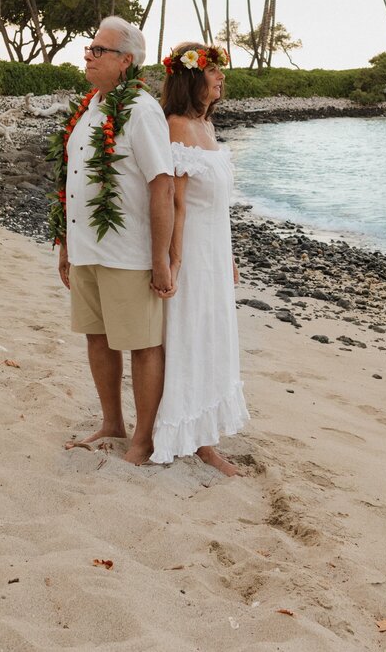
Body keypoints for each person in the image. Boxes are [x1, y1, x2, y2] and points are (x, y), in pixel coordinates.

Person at [55, 17, 175, 464]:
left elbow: (161, 184)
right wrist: (66, 244)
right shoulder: (89, 108)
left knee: (143, 343)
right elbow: (72, 181)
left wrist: (160, 259)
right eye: (89, 48)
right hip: (86, 246)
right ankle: (112, 423)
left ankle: (143, 439)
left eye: (98, 50)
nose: (87, 55)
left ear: (126, 61)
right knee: (97, 336)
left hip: (128, 252)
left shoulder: (141, 111)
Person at [151, 43, 249, 475]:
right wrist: (173, 261)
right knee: (191, 340)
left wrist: (228, 257)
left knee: (213, 340)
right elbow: (176, 203)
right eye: (213, 73)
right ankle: (193, 439)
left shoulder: (205, 125)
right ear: (193, 78)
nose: (220, 79)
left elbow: (219, 205)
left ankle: (204, 435)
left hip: (214, 251)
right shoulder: (176, 126)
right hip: (190, 254)